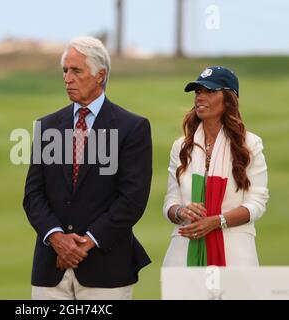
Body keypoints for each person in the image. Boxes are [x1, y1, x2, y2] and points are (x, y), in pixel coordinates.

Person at [23, 36, 152, 300]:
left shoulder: (132, 128)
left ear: (100, 75)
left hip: (106, 269)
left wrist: (86, 242)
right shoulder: (47, 127)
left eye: (76, 71)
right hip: (51, 271)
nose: (67, 78)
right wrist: (58, 239)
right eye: (65, 71)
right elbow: (33, 195)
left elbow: (132, 199)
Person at [162, 66, 269, 267]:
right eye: (198, 92)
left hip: (235, 255)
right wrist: (181, 212)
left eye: (210, 92)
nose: (200, 98)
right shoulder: (182, 146)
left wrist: (217, 221)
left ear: (229, 99)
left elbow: (257, 203)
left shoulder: (250, 145)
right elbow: (170, 201)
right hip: (183, 250)